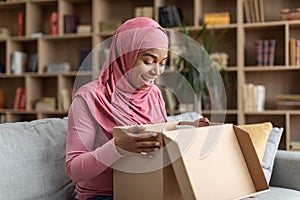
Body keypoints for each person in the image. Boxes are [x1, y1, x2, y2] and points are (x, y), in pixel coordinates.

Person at [66, 17, 209, 200]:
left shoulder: (154, 94)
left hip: (150, 189)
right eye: (148, 61)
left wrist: (186, 127)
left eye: (163, 62)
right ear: (125, 55)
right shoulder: (89, 98)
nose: (157, 71)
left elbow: (159, 136)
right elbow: (74, 170)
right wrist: (117, 147)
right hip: (103, 195)